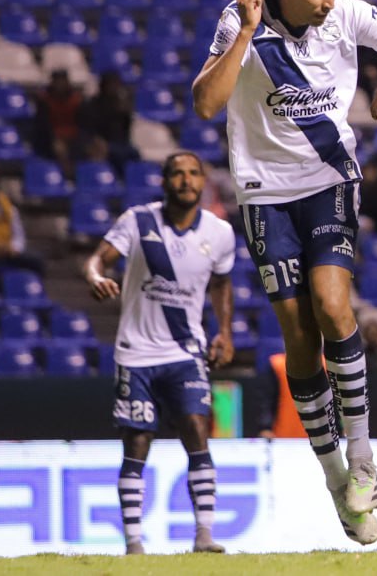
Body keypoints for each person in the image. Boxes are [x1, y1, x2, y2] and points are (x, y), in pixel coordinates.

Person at [191, 0, 377, 546]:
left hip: (329, 180)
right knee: (299, 342)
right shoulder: (240, 19)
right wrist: (248, 35)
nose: (331, 3)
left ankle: (361, 458)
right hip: (264, 194)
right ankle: (337, 483)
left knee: (333, 306)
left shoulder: (350, 14)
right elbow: (206, 104)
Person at [83, 151, 235, 556]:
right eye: (177, 174)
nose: (186, 181)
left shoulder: (219, 233)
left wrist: (224, 332)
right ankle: (133, 542)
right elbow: (98, 259)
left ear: (204, 182)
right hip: (136, 354)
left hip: (185, 352)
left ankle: (204, 535)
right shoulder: (138, 221)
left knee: (197, 432)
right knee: (137, 445)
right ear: (165, 181)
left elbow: (221, 285)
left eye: (193, 174)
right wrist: (97, 276)